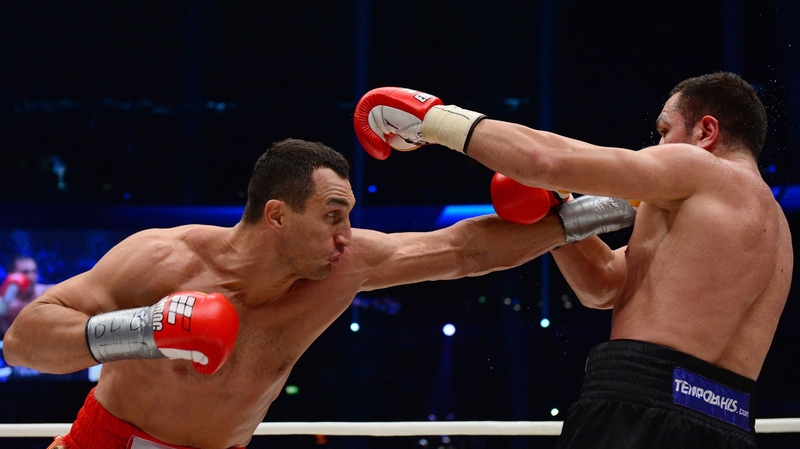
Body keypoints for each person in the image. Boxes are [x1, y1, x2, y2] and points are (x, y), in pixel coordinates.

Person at [3, 138, 635, 449]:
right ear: (277, 215)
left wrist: (582, 214)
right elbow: (24, 338)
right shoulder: (163, 258)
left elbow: (465, 250)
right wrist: (144, 329)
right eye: (333, 214)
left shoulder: (347, 267)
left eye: (350, 215)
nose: (346, 233)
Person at [353, 72, 793, 448]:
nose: (656, 145)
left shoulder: (700, 168)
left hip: (639, 406)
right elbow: (602, 285)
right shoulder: (777, 235)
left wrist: (433, 118)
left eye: (664, 131)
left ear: (706, 132)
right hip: (729, 423)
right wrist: (561, 209)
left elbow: (543, 160)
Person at [1, 255, 54, 335]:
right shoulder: (5, 304)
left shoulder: (49, 292)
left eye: (34, 271)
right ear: (12, 275)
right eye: (25, 272)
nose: (31, 276)